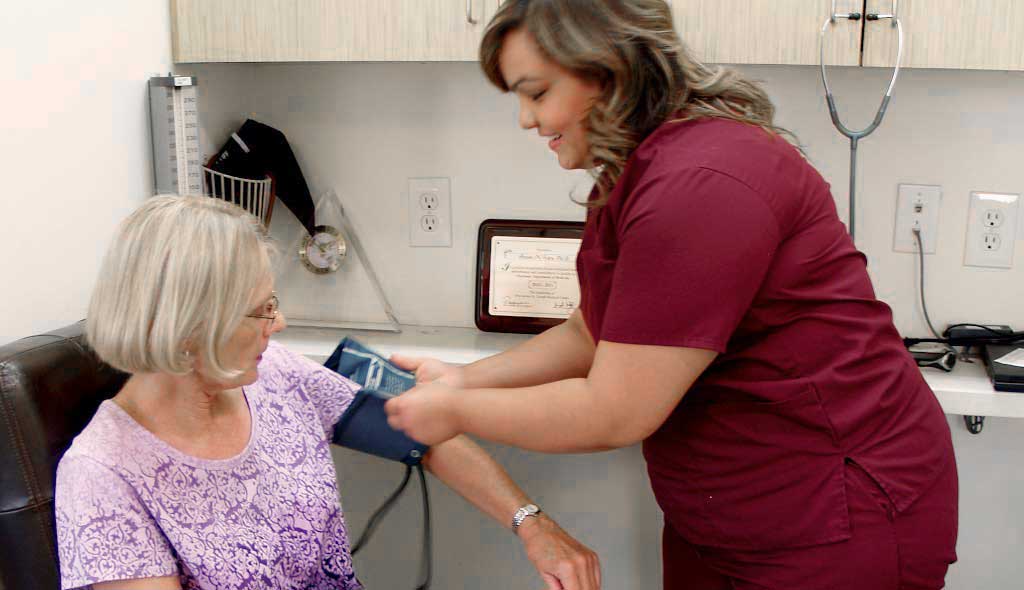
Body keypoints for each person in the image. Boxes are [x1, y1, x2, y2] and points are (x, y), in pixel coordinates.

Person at [383, 1, 959, 589]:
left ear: (611, 70)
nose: (527, 119)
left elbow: (615, 411)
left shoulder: (701, 184)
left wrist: (455, 412)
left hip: (831, 512)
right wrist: (462, 379)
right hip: (731, 512)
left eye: (536, 92)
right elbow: (591, 333)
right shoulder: (637, 167)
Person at [55, 195, 600, 590]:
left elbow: (419, 427)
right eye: (263, 310)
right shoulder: (102, 475)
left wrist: (533, 524)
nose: (281, 322)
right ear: (192, 326)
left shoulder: (277, 374)